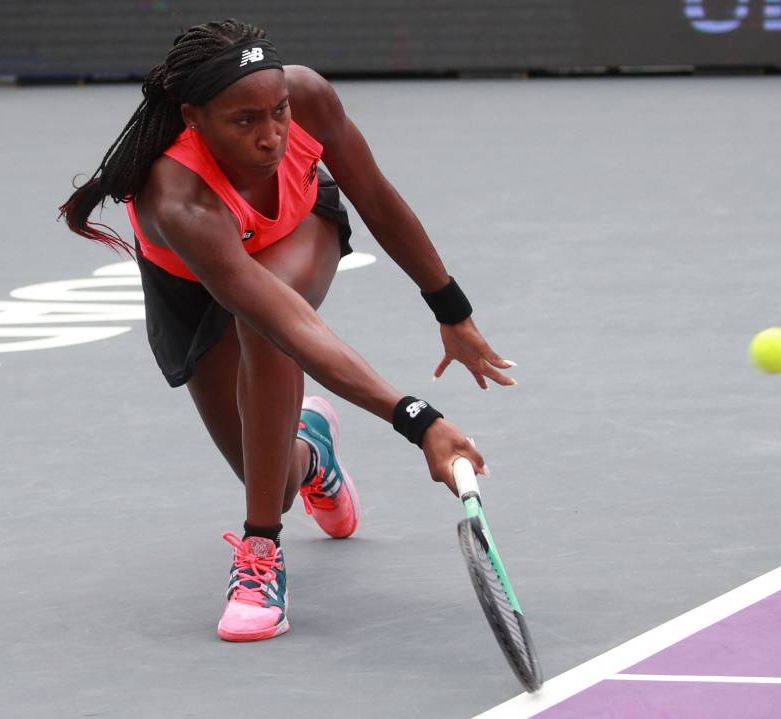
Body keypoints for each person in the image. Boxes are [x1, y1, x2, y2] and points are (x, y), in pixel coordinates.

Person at [59, 19, 515, 642]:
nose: (272, 136)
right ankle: (314, 453)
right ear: (194, 117)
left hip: (299, 232)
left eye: (278, 112)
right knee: (271, 481)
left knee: (265, 331)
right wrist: (421, 422)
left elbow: (374, 198)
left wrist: (452, 311)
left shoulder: (310, 99)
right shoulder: (179, 198)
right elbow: (287, 322)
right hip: (193, 283)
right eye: (244, 122)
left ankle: (260, 556)